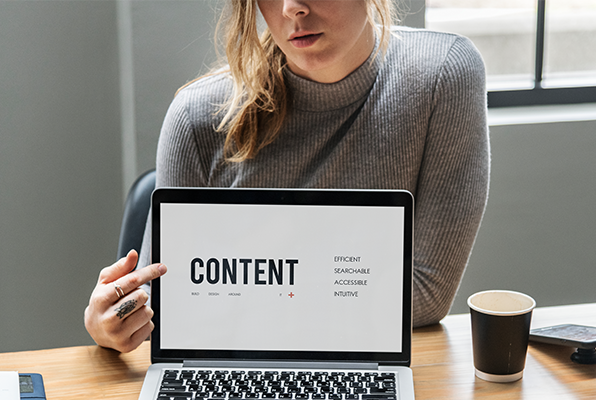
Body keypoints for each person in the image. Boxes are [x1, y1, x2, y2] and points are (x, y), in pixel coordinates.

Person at [85, 0, 489, 353]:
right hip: (237, 369)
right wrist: (110, 320)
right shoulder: (197, 116)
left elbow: (424, 293)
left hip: (360, 365)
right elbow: (168, 306)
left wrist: (237, 292)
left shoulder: (442, 78)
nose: (291, 7)